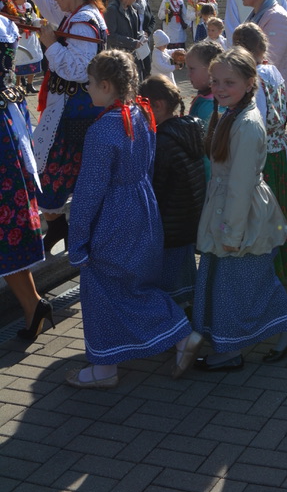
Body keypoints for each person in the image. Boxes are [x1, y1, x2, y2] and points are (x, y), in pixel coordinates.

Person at [65, 50, 202, 388]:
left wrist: (77, 240)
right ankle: (114, 361)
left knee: (102, 286)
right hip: (144, 209)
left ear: (106, 85)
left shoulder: (102, 131)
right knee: (132, 283)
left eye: (90, 83)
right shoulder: (141, 114)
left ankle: (108, 367)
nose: (87, 88)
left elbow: (89, 192)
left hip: (114, 218)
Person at [192, 47, 287, 370]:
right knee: (251, 280)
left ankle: (230, 350)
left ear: (250, 82)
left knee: (235, 285)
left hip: (241, 218)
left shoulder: (247, 124)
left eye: (229, 82)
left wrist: (231, 233)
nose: (220, 88)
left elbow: (240, 187)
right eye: (216, 81)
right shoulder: (231, 113)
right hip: (229, 212)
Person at [13, 0, 108, 253]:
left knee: (54, 173)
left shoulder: (83, 21)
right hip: (69, 109)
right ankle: (61, 229)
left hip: (74, 112)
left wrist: (51, 44)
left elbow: (79, 70)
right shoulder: (75, 13)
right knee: (55, 171)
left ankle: (71, 232)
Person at [0, 14, 53, 341]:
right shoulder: (5, 24)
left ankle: (33, 304)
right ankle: (33, 304)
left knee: (6, 224)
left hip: (5, 130)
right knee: (7, 224)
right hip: (9, 118)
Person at [234, 22, 287, 280]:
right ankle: (285, 263)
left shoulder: (256, 79)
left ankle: (270, 271)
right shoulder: (273, 71)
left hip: (264, 156)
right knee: (283, 206)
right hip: (279, 149)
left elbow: (258, 119)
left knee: (267, 212)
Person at [140, 74, 206, 311]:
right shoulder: (190, 130)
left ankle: (179, 322)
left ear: (157, 105)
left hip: (170, 225)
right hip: (188, 220)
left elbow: (156, 188)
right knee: (185, 273)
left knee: (172, 285)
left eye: (142, 107)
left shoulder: (162, 141)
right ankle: (189, 309)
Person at [232, 0, 287, 116]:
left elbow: (268, 63)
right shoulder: (258, 14)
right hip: (259, 96)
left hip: (272, 101)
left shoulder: (277, 18)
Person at [185, 39, 225, 133]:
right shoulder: (207, 97)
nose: (188, 74)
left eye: (192, 69)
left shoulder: (209, 107)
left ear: (210, 69)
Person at [8, 0, 43, 93]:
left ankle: (29, 84)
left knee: (32, 59)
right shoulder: (10, 7)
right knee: (18, 62)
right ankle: (17, 85)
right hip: (19, 39)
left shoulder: (28, 6)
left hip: (30, 39)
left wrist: (40, 21)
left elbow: (34, 19)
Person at [104, 0, 144, 72]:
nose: (135, 1)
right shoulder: (112, 10)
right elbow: (110, 36)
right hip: (117, 58)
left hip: (131, 56)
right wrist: (132, 43)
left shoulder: (132, 11)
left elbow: (132, 31)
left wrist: (141, 37)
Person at [129, 0, 153, 77]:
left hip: (144, 40)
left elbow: (152, 19)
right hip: (132, 41)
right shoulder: (127, 4)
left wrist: (147, 31)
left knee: (147, 68)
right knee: (135, 69)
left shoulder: (144, 3)